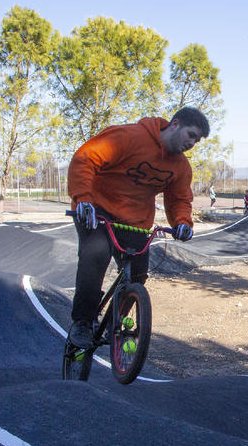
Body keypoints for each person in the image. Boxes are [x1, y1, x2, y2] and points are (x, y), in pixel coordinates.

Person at [66, 107, 210, 348]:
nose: (192, 143)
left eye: (197, 140)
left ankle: (115, 324)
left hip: (134, 222)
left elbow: (179, 199)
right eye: (191, 135)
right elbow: (85, 159)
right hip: (97, 210)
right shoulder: (130, 137)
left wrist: (183, 223)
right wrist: (83, 199)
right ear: (175, 124)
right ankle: (83, 321)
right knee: (96, 254)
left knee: (137, 273)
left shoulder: (181, 167)